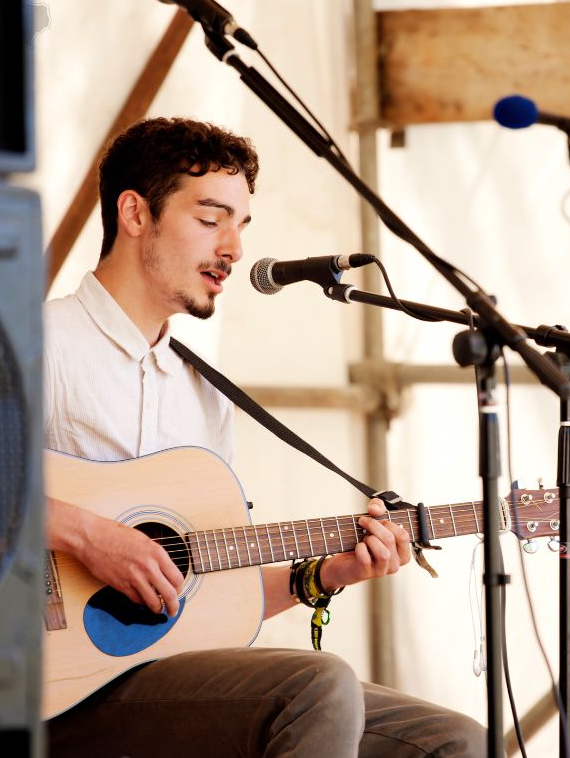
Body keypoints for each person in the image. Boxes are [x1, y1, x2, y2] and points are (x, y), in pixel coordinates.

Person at [44, 117, 486, 757]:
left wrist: (326, 574)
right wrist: (89, 535)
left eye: (242, 225)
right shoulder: (33, 343)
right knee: (317, 684)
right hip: (41, 688)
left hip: (164, 678)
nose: (234, 248)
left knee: (450, 741)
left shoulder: (202, 393)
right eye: (211, 219)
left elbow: (210, 590)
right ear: (135, 213)